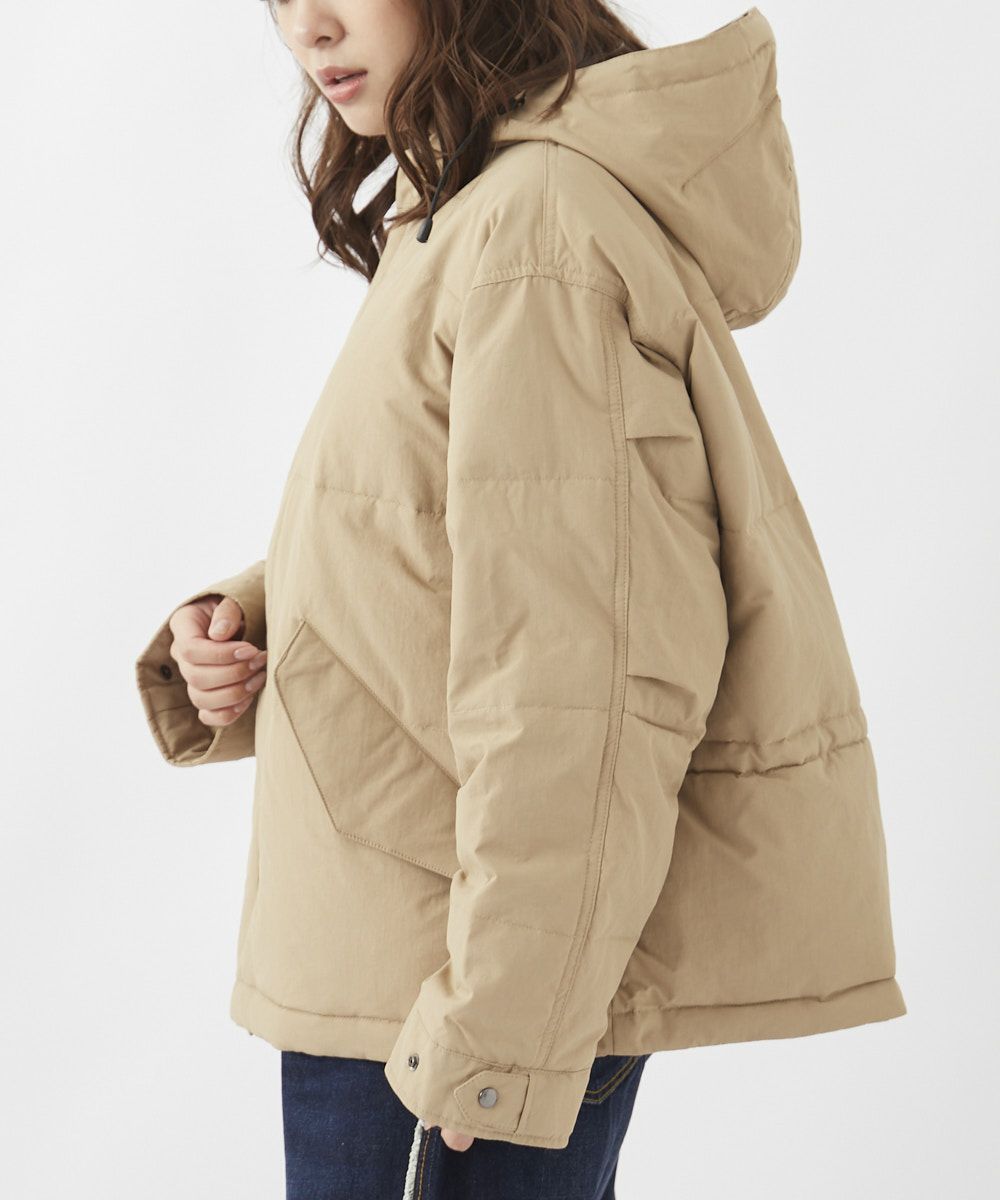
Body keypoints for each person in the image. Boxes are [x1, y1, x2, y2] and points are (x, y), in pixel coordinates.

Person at [134, 4, 907, 1197]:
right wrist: (255, 615)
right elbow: (449, 531)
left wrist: (500, 1031)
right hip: (403, 965)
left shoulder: (531, 232)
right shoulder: (470, 206)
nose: (310, 28)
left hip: (453, 1001)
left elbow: (579, 680)